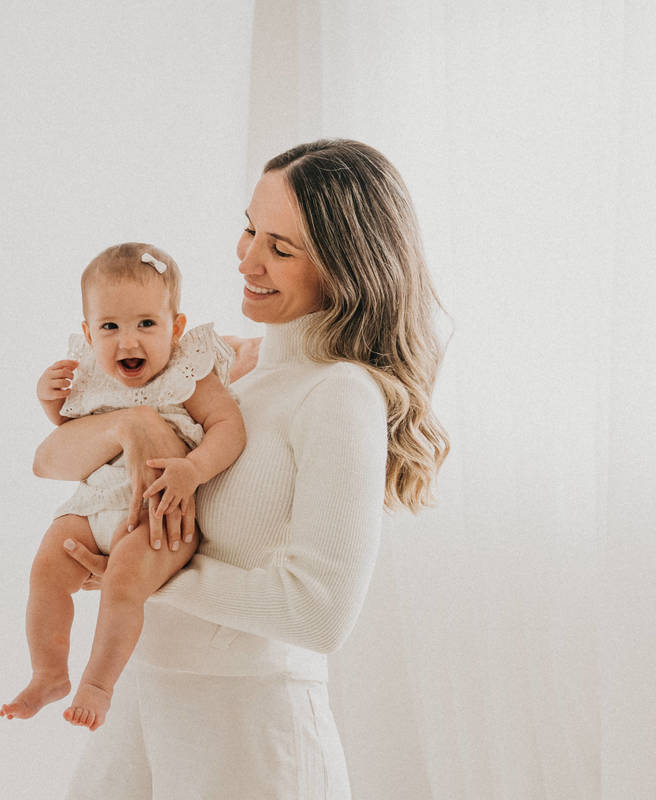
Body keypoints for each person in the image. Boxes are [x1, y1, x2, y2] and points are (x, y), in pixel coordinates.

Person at [37, 140, 450, 798]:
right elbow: (48, 463)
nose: (246, 259)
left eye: (280, 249)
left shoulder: (338, 394)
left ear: (344, 268)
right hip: (146, 702)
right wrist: (127, 425)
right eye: (250, 228)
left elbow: (320, 615)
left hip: (252, 736)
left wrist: (138, 578)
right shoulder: (223, 367)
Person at [0, 242, 246, 731]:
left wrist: (193, 469)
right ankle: (48, 673)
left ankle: (98, 685)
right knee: (47, 569)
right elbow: (69, 429)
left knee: (124, 582)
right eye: (109, 327)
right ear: (88, 332)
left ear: (175, 327)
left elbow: (229, 428)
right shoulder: (90, 375)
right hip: (94, 501)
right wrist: (48, 399)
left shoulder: (188, 372)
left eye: (146, 324)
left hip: (159, 509)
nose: (127, 341)